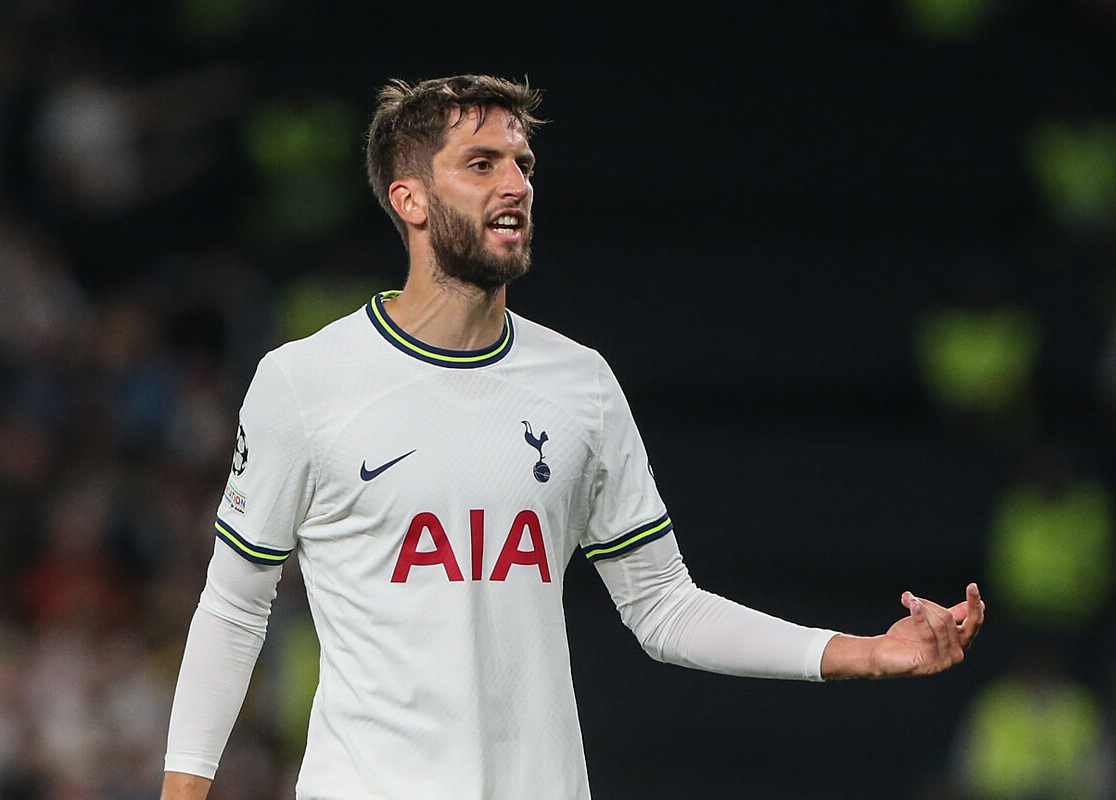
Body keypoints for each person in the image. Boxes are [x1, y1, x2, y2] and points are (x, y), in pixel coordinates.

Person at [160, 74, 985, 800]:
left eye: (522, 163)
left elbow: (664, 607)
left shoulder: (580, 381)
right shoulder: (305, 381)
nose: (514, 183)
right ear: (409, 199)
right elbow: (235, 607)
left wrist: (864, 652)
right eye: (480, 164)